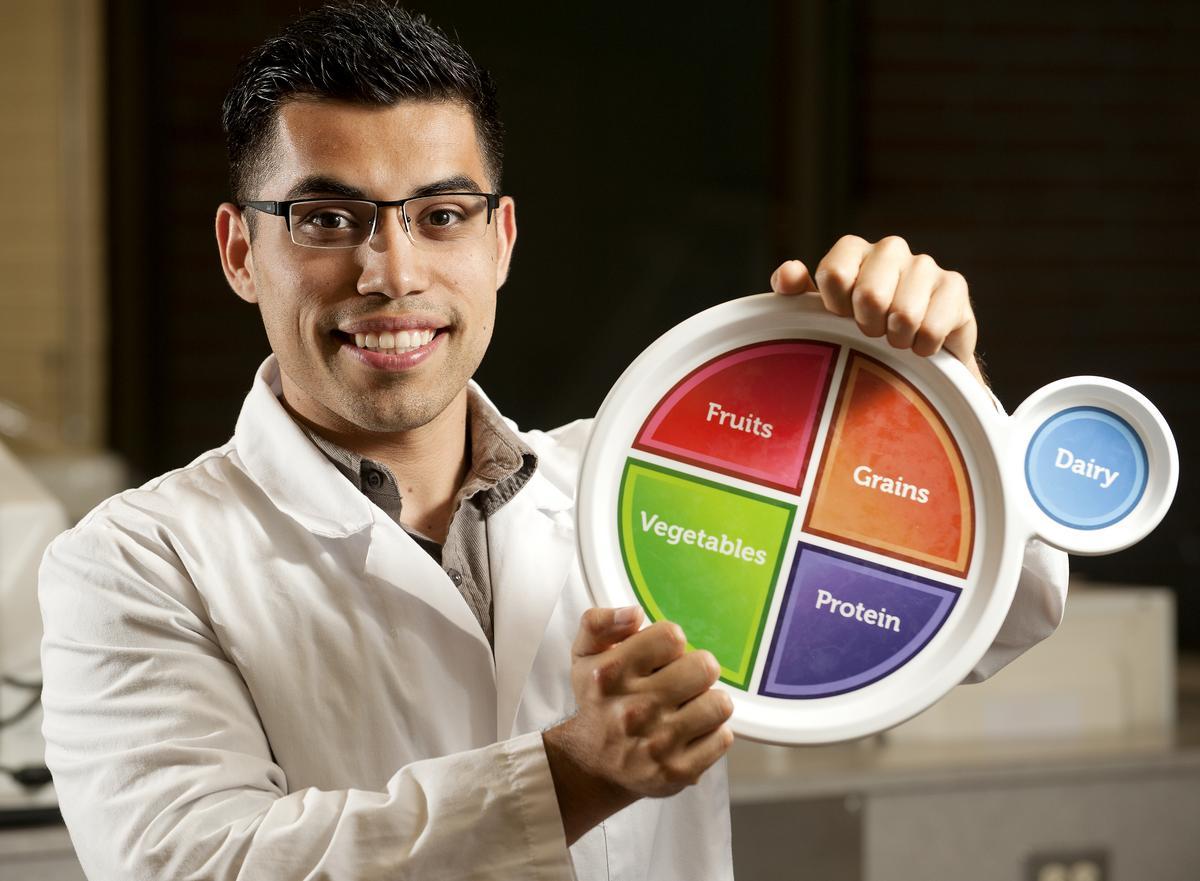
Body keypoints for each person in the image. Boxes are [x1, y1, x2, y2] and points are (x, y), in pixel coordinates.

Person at [38, 4, 1067, 880]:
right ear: (239, 250)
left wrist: (939, 392)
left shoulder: (627, 485)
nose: (393, 272)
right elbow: (195, 862)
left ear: (502, 240)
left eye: (441, 215)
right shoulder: (133, 563)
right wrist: (575, 772)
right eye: (327, 218)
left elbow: (994, 612)